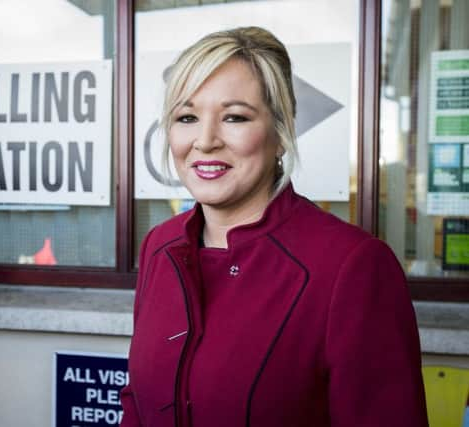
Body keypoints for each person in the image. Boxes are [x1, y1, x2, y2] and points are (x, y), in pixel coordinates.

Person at [120, 27, 428, 427]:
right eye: (187, 117)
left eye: (234, 117)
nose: (206, 140)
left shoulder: (352, 266)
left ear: (281, 133)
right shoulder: (159, 246)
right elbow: (136, 404)